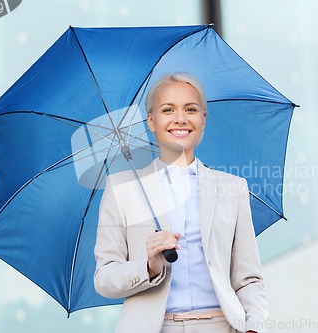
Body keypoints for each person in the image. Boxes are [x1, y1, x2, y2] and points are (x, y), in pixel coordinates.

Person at [94, 72, 268, 333]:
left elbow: (249, 279)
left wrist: (255, 327)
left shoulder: (233, 188)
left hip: (222, 325)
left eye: (191, 109)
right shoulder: (122, 188)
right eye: (167, 110)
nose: (180, 119)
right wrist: (148, 266)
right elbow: (104, 279)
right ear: (151, 121)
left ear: (203, 120)